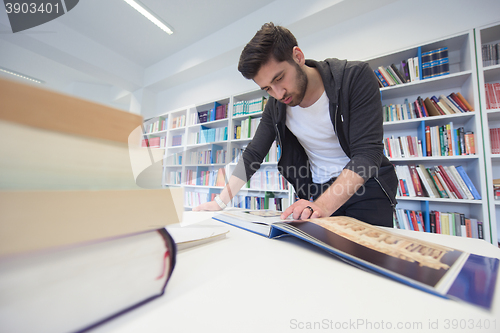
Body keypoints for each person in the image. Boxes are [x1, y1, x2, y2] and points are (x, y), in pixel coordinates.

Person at [193, 22, 398, 227]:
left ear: (298, 56)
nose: (278, 94)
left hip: (367, 187)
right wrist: (220, 202)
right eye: (268, 88)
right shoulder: (276, 106)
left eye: (280, 78)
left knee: (367, 256)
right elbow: (253, 154)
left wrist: (323, 206)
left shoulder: (354, 76)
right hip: (318, 190)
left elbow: (368, 153)